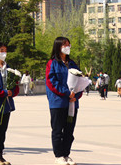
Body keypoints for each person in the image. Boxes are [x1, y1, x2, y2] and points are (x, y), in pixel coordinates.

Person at [45, 37, 82, 165]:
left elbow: (80, 81)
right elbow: (51, 82)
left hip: (72, 103)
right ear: (58, 46)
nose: (68, 46)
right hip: (58, 102)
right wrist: (67, 93)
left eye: (68, 44)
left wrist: (76, 95)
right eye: (65, 44)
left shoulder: (72, 64)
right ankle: (59, 155)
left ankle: (66, 154)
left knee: (69, 130)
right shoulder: (52, 63)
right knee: (57, 129)